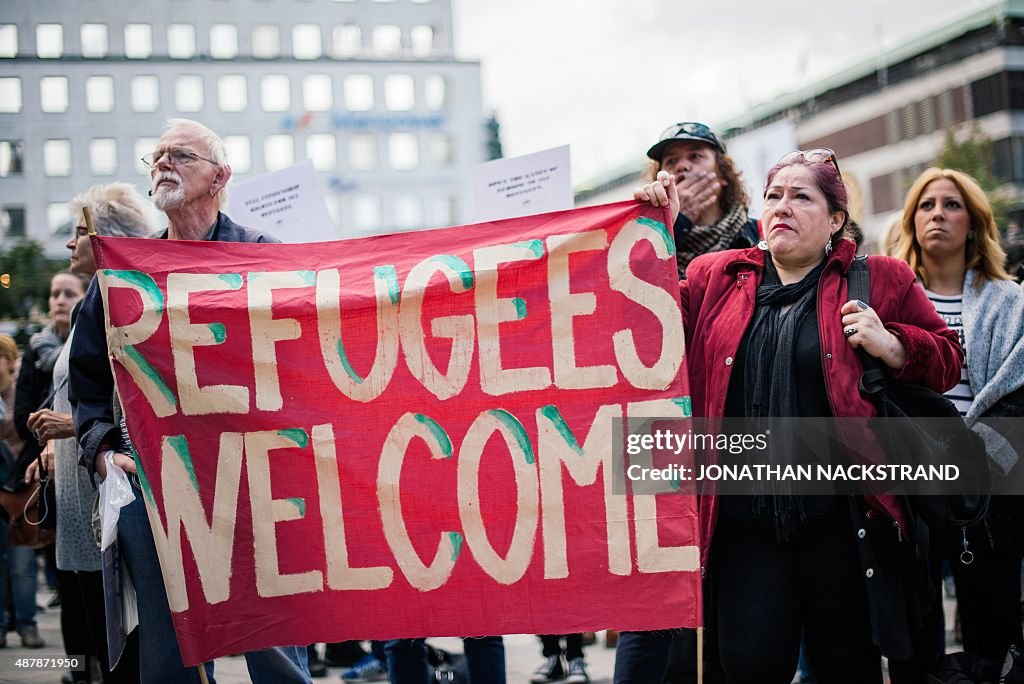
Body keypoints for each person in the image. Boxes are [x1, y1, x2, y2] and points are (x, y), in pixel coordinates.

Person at [635, 149, 963, 680]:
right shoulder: (715, 276)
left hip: (844, 527)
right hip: (744, 529)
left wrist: (893, 343)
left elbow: (948, 360)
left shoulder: (881, 278)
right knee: (748, 668)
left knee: (844, 668)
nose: (782, 206)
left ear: (836, 219)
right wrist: (655, 228)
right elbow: (642, 324)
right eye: (773, 196)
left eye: (800, 196)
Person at [69, 118, 311, 684]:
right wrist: (104, 450)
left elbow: (308, 360)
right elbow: (87, 377)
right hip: (151, 484)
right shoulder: (123, 271)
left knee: (270, 636)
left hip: (255, 483)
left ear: (220, 175)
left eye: (180, 154)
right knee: (168, 648)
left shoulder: (262, 257)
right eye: (155, 156)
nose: (162, 164)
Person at [26, 182, 156, 682]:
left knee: (120, 629)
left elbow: (137, 395)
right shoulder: (90, 306)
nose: (68, 243)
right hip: (80, 485)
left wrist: (71, 426)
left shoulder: (123, 301)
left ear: (102, 236)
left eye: (78, 232)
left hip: (110, 482)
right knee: (87, 625)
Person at [895, 168, 1024, 666]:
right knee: (916, 634)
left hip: (991, 488)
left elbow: (1015, 393)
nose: (938, 215)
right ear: (911, 221)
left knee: (992, 630)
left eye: (952, 205)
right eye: (926, 206)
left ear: (973, 222)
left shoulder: (1010, 301)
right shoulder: (892, 296)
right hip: (911, 482)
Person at [5, 271, 87, 650]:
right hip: (46, 476)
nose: (59, 300)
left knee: (90, 585)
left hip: (86, 471)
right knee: (66, 579)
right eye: (54, 293)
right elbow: (24, 416)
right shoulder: (40, 350)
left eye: (69, 293)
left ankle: (96, 666)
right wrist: (47, 431)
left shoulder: (86, 345)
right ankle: (78, 668)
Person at [642, 121, 758, 278]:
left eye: (695, 156)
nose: (682, 166)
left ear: (723, 173)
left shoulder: (760, 237)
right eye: (672, 161)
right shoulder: (650, 245)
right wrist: (677, 223)